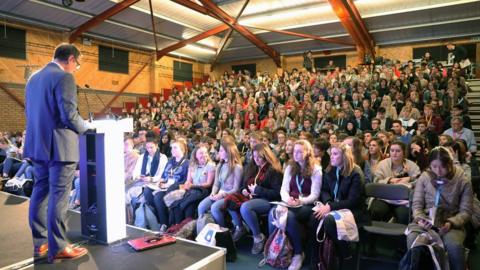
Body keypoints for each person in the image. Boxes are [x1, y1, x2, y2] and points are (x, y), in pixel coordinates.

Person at [24, 43, 93, 262]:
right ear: (71, 59)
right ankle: (60, 246)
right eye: (77, 64)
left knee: (40, 192)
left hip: (38, 145)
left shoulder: (33, 79)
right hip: (60, 148)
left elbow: (31, 111)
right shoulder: (64, 77)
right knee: (59, 196)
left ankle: (41, 244)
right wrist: (88, 127)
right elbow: (69, 116)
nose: (75, 68)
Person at [407, 146, 472, 270]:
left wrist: (450, 223)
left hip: (451, 221)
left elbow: (466, 211)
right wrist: (420, 219)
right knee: (413, 240)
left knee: (454, 246)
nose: (438, 171)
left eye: (442, 166)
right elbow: (417, 204)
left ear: (450, 164)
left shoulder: (462, 180)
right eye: (434, 167)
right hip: (426, 220)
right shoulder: (425, 177)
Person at [310, 142, 369, 268]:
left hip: (353, 210)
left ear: (345, 156)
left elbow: (352, 201)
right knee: (314, 216)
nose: (331, 157)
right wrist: (328, 203)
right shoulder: (331, 169)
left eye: (335, 154)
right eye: (331, 154)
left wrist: (330, 207)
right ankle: (315, 258)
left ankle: (346, 254)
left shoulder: (355, 173)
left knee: (330, 221)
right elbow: (324, 190)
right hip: (334, 206)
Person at [268, 139, 322, 270]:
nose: (295, 154)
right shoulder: (290, 167)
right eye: (294, 151)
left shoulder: (316, 169)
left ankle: (298, 254)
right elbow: (283, 189)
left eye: (299, 151)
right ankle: (273, 249)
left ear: (308, 152)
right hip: (290, 203)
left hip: (306, 205)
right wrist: (287, 200)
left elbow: (315, 195)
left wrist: (300, 201)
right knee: (273, 212)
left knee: (288, 216)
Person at [226, 143, 282, 254]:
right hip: (252, 198)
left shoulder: (273, 170)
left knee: (245, 207)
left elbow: (277, 193)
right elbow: (245, 184)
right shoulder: (253, 167)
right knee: (229, 200)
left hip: (267, 200)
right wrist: (244, 190)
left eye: (259, 157)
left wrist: (257, 190)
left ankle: (258, 236)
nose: (256, 160)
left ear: (265, 156)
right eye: (254, 157)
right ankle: (240, 227)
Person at [371, 141, 421, 224]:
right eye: (392, 150)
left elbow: (419, 181)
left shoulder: (411, 165)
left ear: (404, 153)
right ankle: (376, 235)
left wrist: (409, 178)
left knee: (404, 215)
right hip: (384, 197)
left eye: (398, 151)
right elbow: (376, 181)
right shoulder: (382, 164)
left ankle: (399, 236)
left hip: (403, 200)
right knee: (376, 211)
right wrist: (389, 180)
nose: (394, 153)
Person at [197, 137, 243, 227]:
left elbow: (236, 189)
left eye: (221, 151)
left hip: (230, 195)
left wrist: (221, 195)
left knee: (215, 208)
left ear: (229, 152)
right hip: (219, 193)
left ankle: (221, 231)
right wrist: (213, 193)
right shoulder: (220, 165)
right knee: (201, 206)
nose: (219, 153)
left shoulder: (237, 167)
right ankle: (202, 229)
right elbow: (216, 184)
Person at [144, 139, 189, 228]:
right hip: (165, 186)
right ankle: (160, 220)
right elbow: (164, 176)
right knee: (147, 191)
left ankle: (164, 223)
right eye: (172, 148)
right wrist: (161, 181)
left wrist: (169, 185)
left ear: (182, 149)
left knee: (158, 197)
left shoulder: (187, 163)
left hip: (177, 188)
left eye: (175, 148)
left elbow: (185, 180)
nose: (172, 150)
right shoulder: (170, 161)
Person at [170, 144, 215, 224]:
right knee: (175, 199)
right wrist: (186, 186)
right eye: (201, 153)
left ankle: (185, 229)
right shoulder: (192, 165)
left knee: (188, 205)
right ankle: (176, 226)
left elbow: (208, 184)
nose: (204, 155)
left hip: (202, 190)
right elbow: (188, 180)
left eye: (205, 152)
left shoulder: (210, 166)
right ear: (195, 155)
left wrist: (193, 185)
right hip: (191, 189)